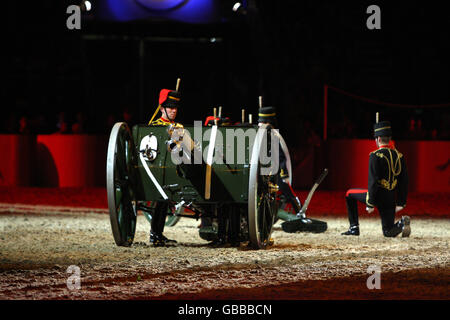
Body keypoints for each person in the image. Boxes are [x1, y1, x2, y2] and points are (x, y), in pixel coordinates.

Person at [342, 119, 411, 237]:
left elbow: (373, 181)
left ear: (378, 139)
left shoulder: (375, 155)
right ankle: (401, 224)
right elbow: (404, 181)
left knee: (349, 194)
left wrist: (370, 203)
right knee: (388, 231)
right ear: (389, 138)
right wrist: (401, 202)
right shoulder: (400, 156)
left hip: (377, 197)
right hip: (390, 199)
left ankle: (354, 228)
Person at [147, 88, 182, 246]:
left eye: (175, 108)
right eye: (170, 108)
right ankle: (155, 234)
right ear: (162, 109)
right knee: (160, 201)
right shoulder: (154, 126)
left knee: (164, 201)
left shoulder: (179, 127)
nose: (173, 111)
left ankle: (157, 234)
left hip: (174, 169)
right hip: (157, 170)